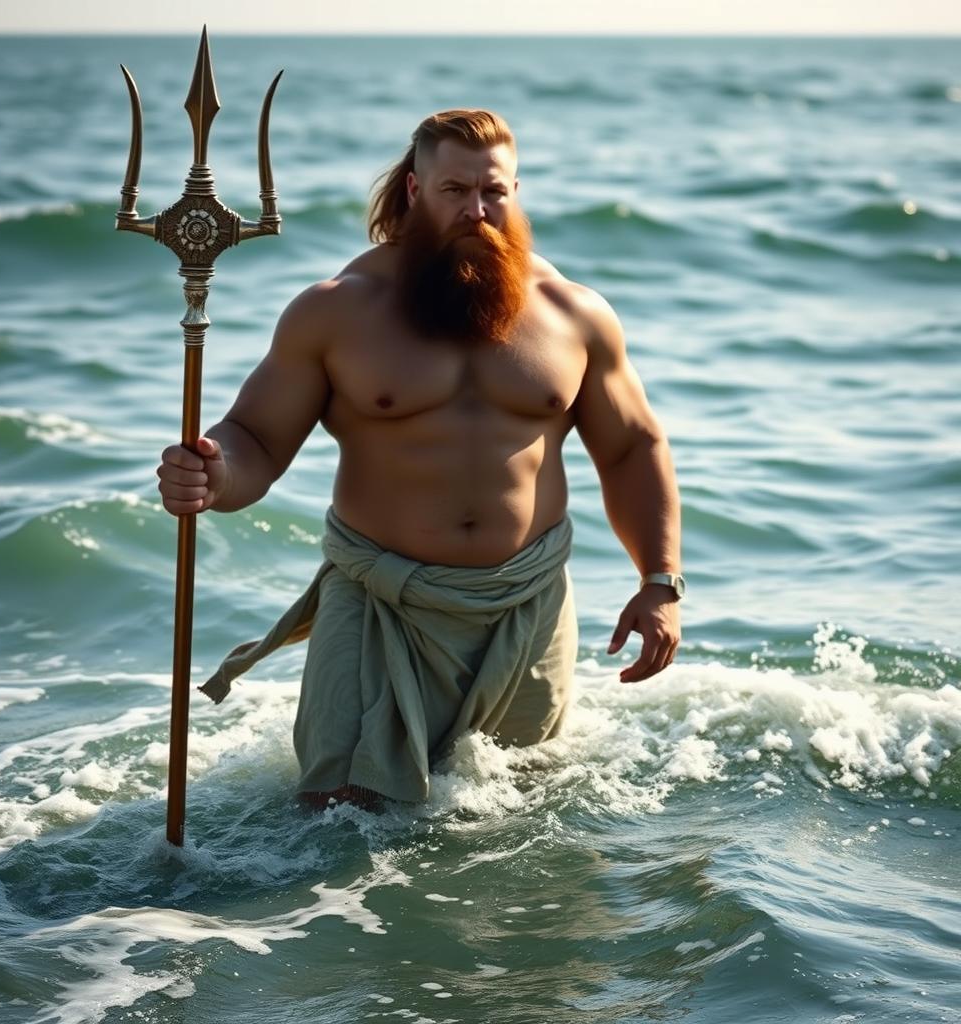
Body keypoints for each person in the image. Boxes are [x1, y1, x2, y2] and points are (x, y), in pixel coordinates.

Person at [156, 109, 683, 813]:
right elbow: (256, 437)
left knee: (519, 821)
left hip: (524, 606)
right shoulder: (337, 311)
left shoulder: (573, 313)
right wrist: (214, 474)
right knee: (337, 819)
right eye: (454, 190)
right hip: (379, 608)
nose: (477, 209)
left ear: (517, 189)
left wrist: (659, 582)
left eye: (494, 191)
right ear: (413, 190)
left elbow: (632, 447)